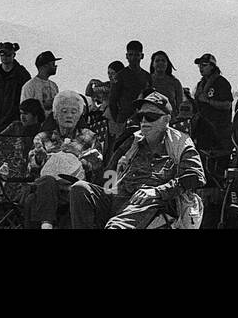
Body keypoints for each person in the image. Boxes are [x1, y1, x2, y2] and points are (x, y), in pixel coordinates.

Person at [70, 91, 205, 229]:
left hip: (150, 203)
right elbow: (109, 183)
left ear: (166, 119)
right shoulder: (131, 141)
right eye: (141, 116)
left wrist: (157, 192)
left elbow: (195, 177)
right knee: (80, 188)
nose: (144, 121)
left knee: (116, 225)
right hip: (118, 199)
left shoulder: (180, 142)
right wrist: (98, 168)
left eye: (151, 116)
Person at [22, 90, 105, 229]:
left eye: (73, 112)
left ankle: (46, 223)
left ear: (79, 115)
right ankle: (46, 224)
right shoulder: (42, 137)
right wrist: (39, 158)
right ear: (55, 114)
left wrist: (77, 156)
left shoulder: (90, 137)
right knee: (45, 183)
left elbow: (96, 166)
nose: (69, 115)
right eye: (64, 111)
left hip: (74, 188)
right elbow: (31, 170)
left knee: (36, 200)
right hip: (47, 188)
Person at [190, 53, 233, 163]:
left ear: (212, 66)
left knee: (219, 163)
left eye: (204, 65)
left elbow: (227, 104)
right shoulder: (201, 84)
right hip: (203, 131)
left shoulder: (221, 82)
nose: (201, 68)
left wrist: (208, 101)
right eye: (199, 65)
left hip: (219, 131)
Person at [0, 42, 31, 134]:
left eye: (8, 54)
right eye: (2, 54)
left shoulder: (22, 75)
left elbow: (27, 101)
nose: (5, 56)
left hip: (16, 123)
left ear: (14, 55)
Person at [108, 41, 151, 137]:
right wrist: (118, 121)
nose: (133, 58)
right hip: (124, 120)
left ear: (142, 56)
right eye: (130, 55)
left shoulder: (147, 76)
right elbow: (112, 101)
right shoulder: (120, 76)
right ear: (126, 56)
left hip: (143, 120)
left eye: (137, 55)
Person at [20, 51, 61, 117]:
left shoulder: (54, 85)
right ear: (45, 66)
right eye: (53, 64)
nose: (55, 67)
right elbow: (25, 110)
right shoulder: (29, 86)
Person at [149, 50, 183, 117]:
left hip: (170, 120)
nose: (160, 63)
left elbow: (180, 104)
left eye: (163, 61)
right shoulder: (147, 80)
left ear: (167, 64)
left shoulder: (175, 82)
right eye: (157, 60)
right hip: (151, 119)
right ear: (152, 64)